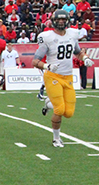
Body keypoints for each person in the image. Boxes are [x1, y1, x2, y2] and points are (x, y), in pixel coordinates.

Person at [33, 9, 93, 148]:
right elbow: (35, 61)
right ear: (53, 21)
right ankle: (56, 138)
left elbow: (77, 52)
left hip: (68, 76)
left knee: (69, 113)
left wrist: (85, 58)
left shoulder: (72, 34)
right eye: (58, 20)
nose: (61, 22)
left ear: (67, 21)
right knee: (59, 110)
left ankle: (48, 103)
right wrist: (47, 66)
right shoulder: (47, 36)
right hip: (53, 76)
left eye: (63, 19)